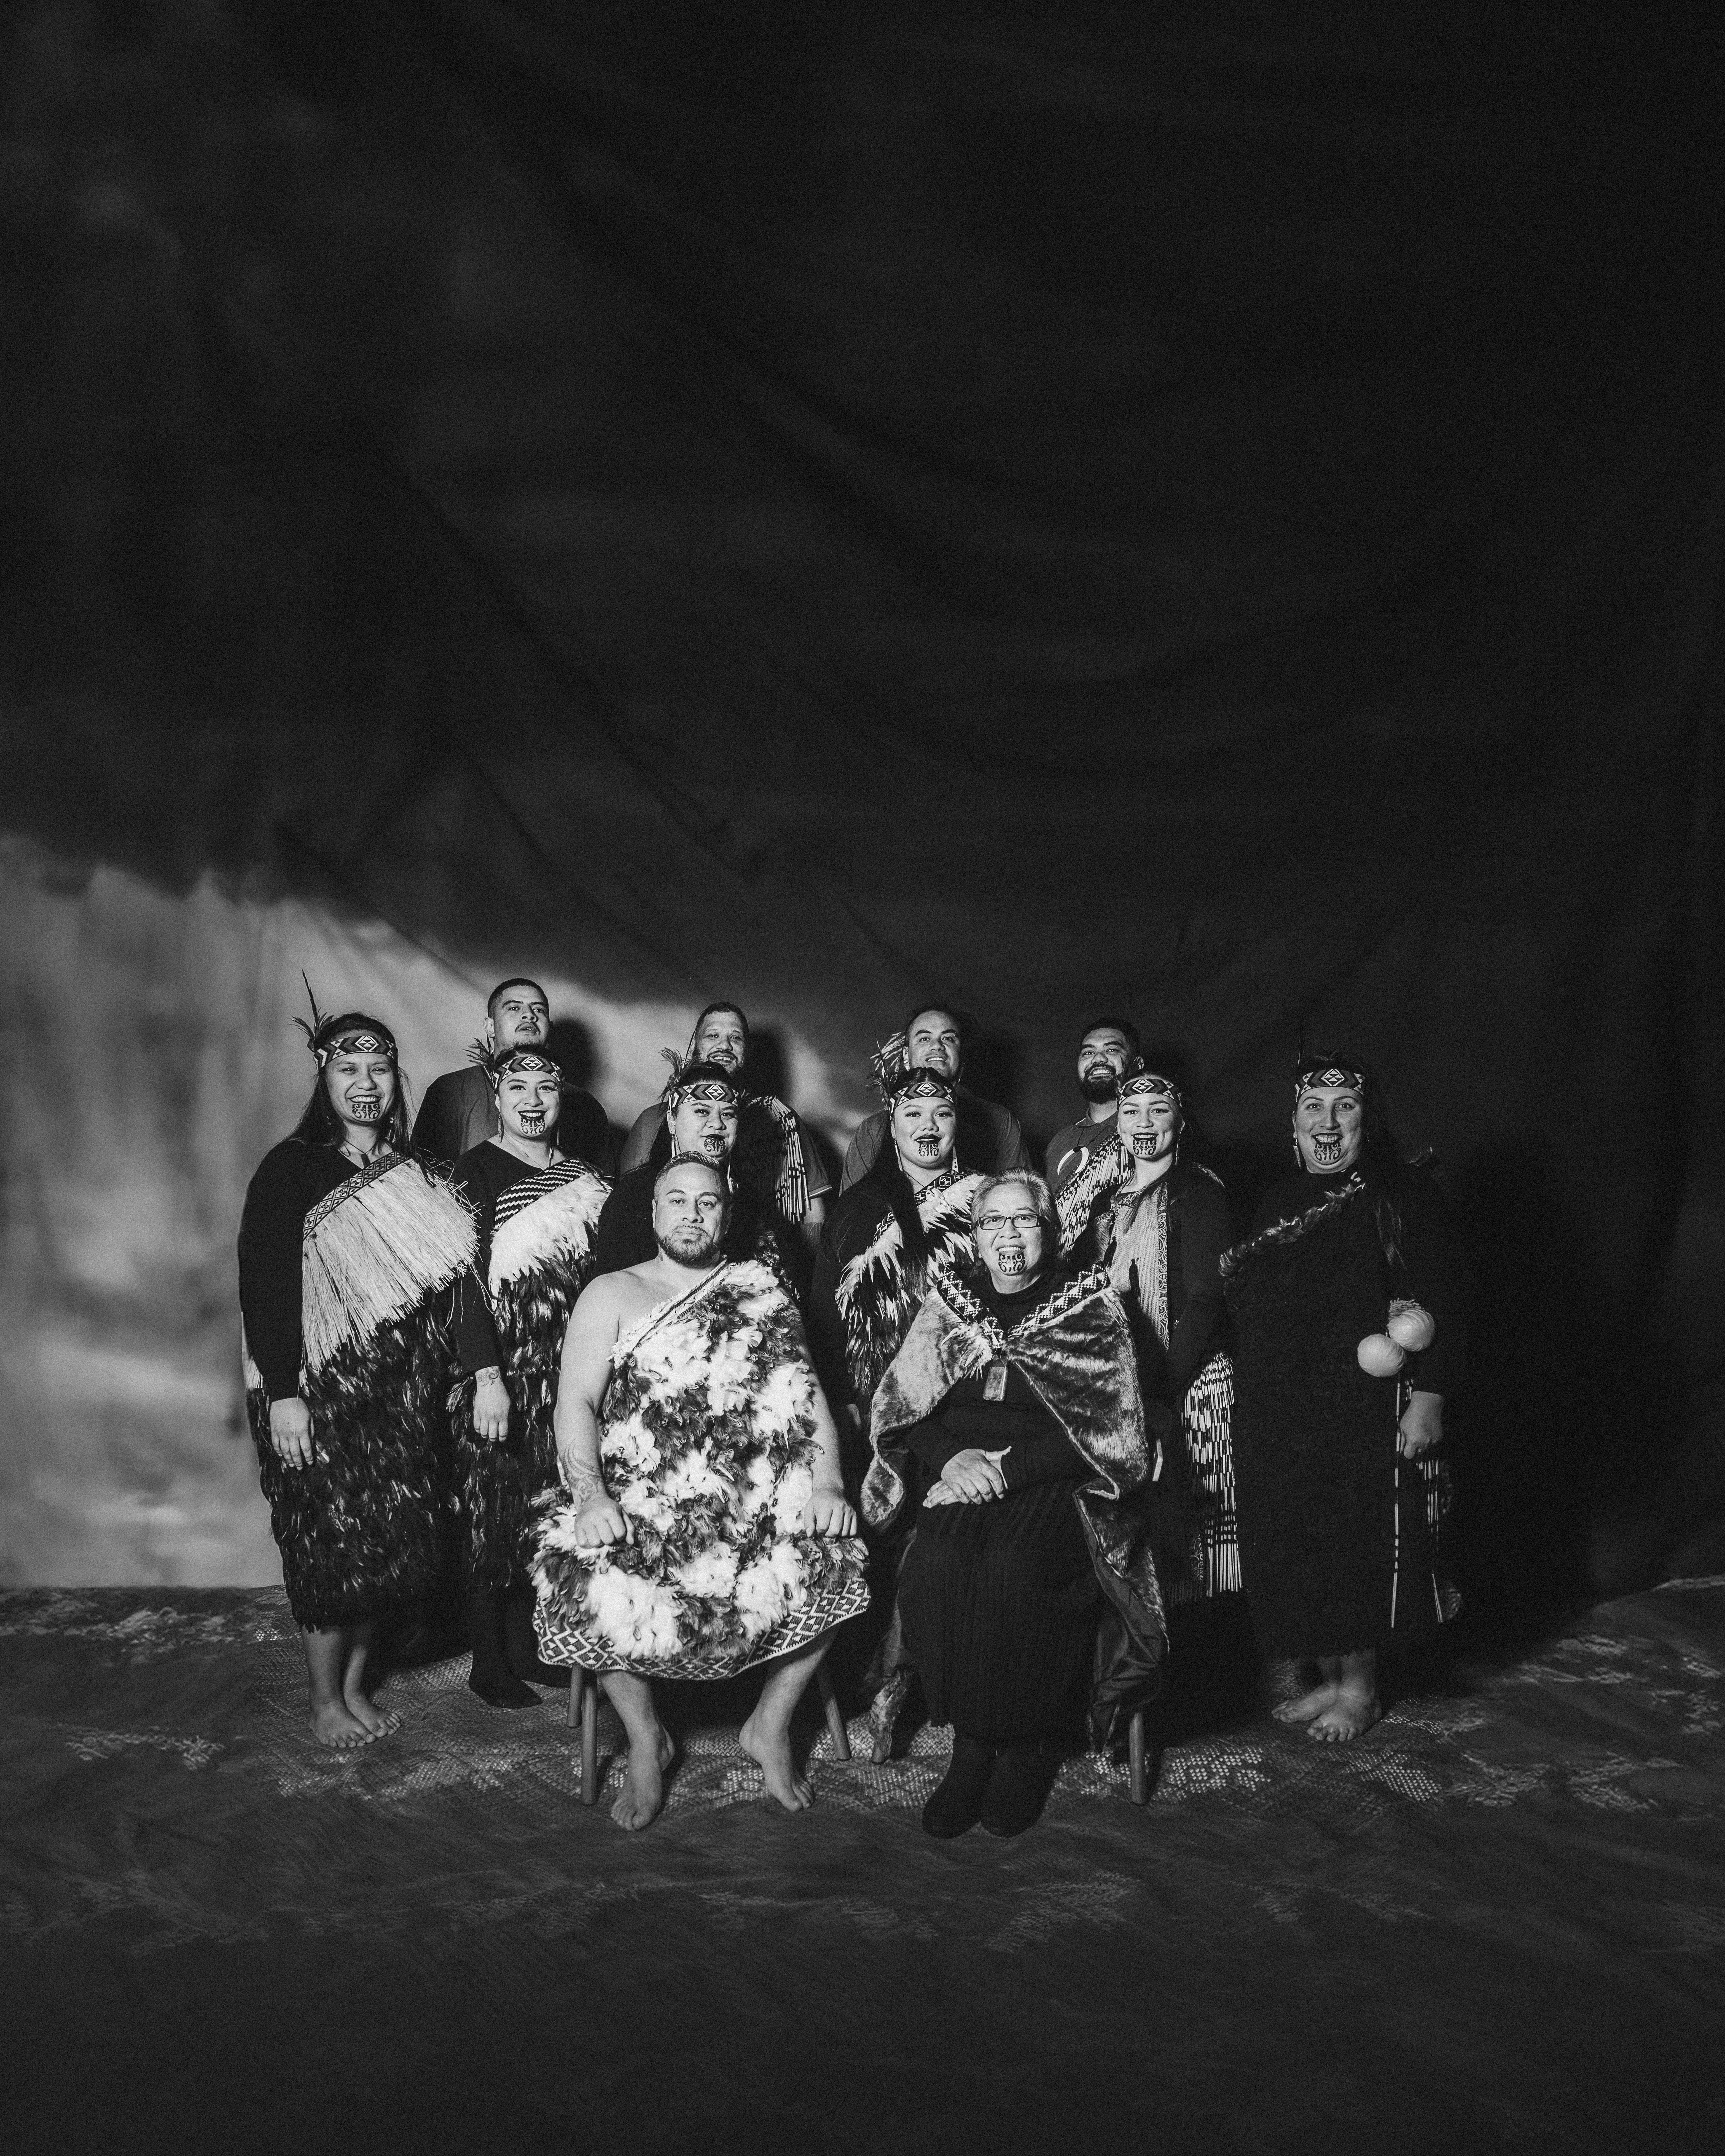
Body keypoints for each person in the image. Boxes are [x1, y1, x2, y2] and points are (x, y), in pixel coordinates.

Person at [532, 1154, 869, 1830]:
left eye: (707, 1202)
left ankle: (768, 1726)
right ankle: (645, 1738)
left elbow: (809, 1405)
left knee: (842, 1555)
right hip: (642, 1492)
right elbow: (575, 1404)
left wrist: (829, 1481)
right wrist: (593, 1497)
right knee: (574, 1571)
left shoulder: (762, 1290)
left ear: (728, 1213)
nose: (692, 1214)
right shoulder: (611, 1292)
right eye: (678, 1201)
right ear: (654, 1213)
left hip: (756, 1491)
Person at [864, 1172, 1164, 1838]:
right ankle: (971, 1745)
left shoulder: (1087, 1309)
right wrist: (951, 1460)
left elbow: (1114, 1428)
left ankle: (1026, 1745)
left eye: (1023, 1220)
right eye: (993, 1222)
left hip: (1059, 1481)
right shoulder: (949, 1305)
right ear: (974, 1237)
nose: (1008, 1234)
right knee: (937, 1564)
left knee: (1013, 1567)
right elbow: (905, 1409)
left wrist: (1011, 1469)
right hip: (965, 1475)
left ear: (1049, 1233)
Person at [238, 1006, 477, 1748]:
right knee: (327, 1546)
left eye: (378, 1070)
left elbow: (446, 1286)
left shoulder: (412, 1173)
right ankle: (323, 1701)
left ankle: (353, 1685)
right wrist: (284, 1393)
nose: (365, 1083)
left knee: (390, 1547)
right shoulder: (291, 1169)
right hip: (316, 1390)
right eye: (348, 1069)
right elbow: (265, 1286)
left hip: (399, 1393)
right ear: (324, 1078)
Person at [1222, 1057, 1466, 1742]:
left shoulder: (1401, 1196)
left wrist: (1431, 1397)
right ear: (1293, 1126)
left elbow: (1445, 1300)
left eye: (1344, 1108)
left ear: (1368, 1120)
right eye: (1313, 1109)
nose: (1328, 1123)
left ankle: (1360, 1688)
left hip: (1360, 1407)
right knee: (1296, 1542)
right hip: (1280, 1407)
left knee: (1348, 1545)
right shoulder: (1276, 1201)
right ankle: (1328, 1678)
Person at [807, 1065, 986, 1755]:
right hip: (880, 1404)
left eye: (941, 1113)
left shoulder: (985, 1200)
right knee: (884, 1542)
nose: (929, 1127)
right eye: (914, 1115)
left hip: (962, 1401)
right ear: (892, 1122)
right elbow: (827, 1311)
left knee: (945, 1543)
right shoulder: (861, 1205)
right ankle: (883, 1680)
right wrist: (847, 1405)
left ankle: (927, 1681)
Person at [448, 1048, 611, 1707]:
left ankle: (530, 1647)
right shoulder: (472, 1171)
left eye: (548, 1086)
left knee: (547, 1514)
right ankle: (489, 1661)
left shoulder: (588, 1178)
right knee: (493, 1513)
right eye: (519, 1087)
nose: (534, 1100)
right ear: (498, 1091)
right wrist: (486, 1375)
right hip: (504, 1373)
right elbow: (458, 1283)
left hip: (570, 1373)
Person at [1057, 1064, 1238, 1600]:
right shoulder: (1101, 1201)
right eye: (1131, 1111)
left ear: (1180, 1122)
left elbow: (1207, 1300)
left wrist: (1160, 1390)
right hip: (1125, 1389)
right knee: (1144, 1529)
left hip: (1192, 1382)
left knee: (1205, 1527)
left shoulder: (1200, 1193)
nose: (1143, 1122)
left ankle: (1218, 1650)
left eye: (1158, 1110)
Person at [617, 1002, 829, 1254]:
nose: (725, 1045)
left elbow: (812, 1214)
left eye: (735, 1038)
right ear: (696, 1046)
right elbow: (630, 1204)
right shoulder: (654, 1120)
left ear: (747, 1052)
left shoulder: (780, 1120)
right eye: (713, 1036)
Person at [591, 1060, 791, 1284]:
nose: (717, 1124)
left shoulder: (751, 1203)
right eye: (702, 1111)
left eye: (727, 1114)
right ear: (672, 1121)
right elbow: (612, 1290)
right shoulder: (633, 1196)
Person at [412, 977, 611, 1175]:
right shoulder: (451, 1091)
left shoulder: (585, 1106)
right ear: (491, 1027)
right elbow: (426, 1185)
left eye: (539, 1010)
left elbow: (601, 1190)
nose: (529, 1016)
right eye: (514, 1008)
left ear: (549, 1028)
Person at [839, 1004, 1031, 1192]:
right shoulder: (874, 1129)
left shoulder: (1000, 1122)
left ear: (961, 1054)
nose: (937, 1046)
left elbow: (1022, 1199)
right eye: (924, 1039)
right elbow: (851, 1213)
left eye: (948, 1038)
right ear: (906, 1055)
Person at [1044, 1017, 1140, 1196]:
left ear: (1137, 1065)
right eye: (1088, 1053)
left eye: (1112, 1050)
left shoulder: (1151, 1130)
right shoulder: (1060, 1142)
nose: (1098, 1059)